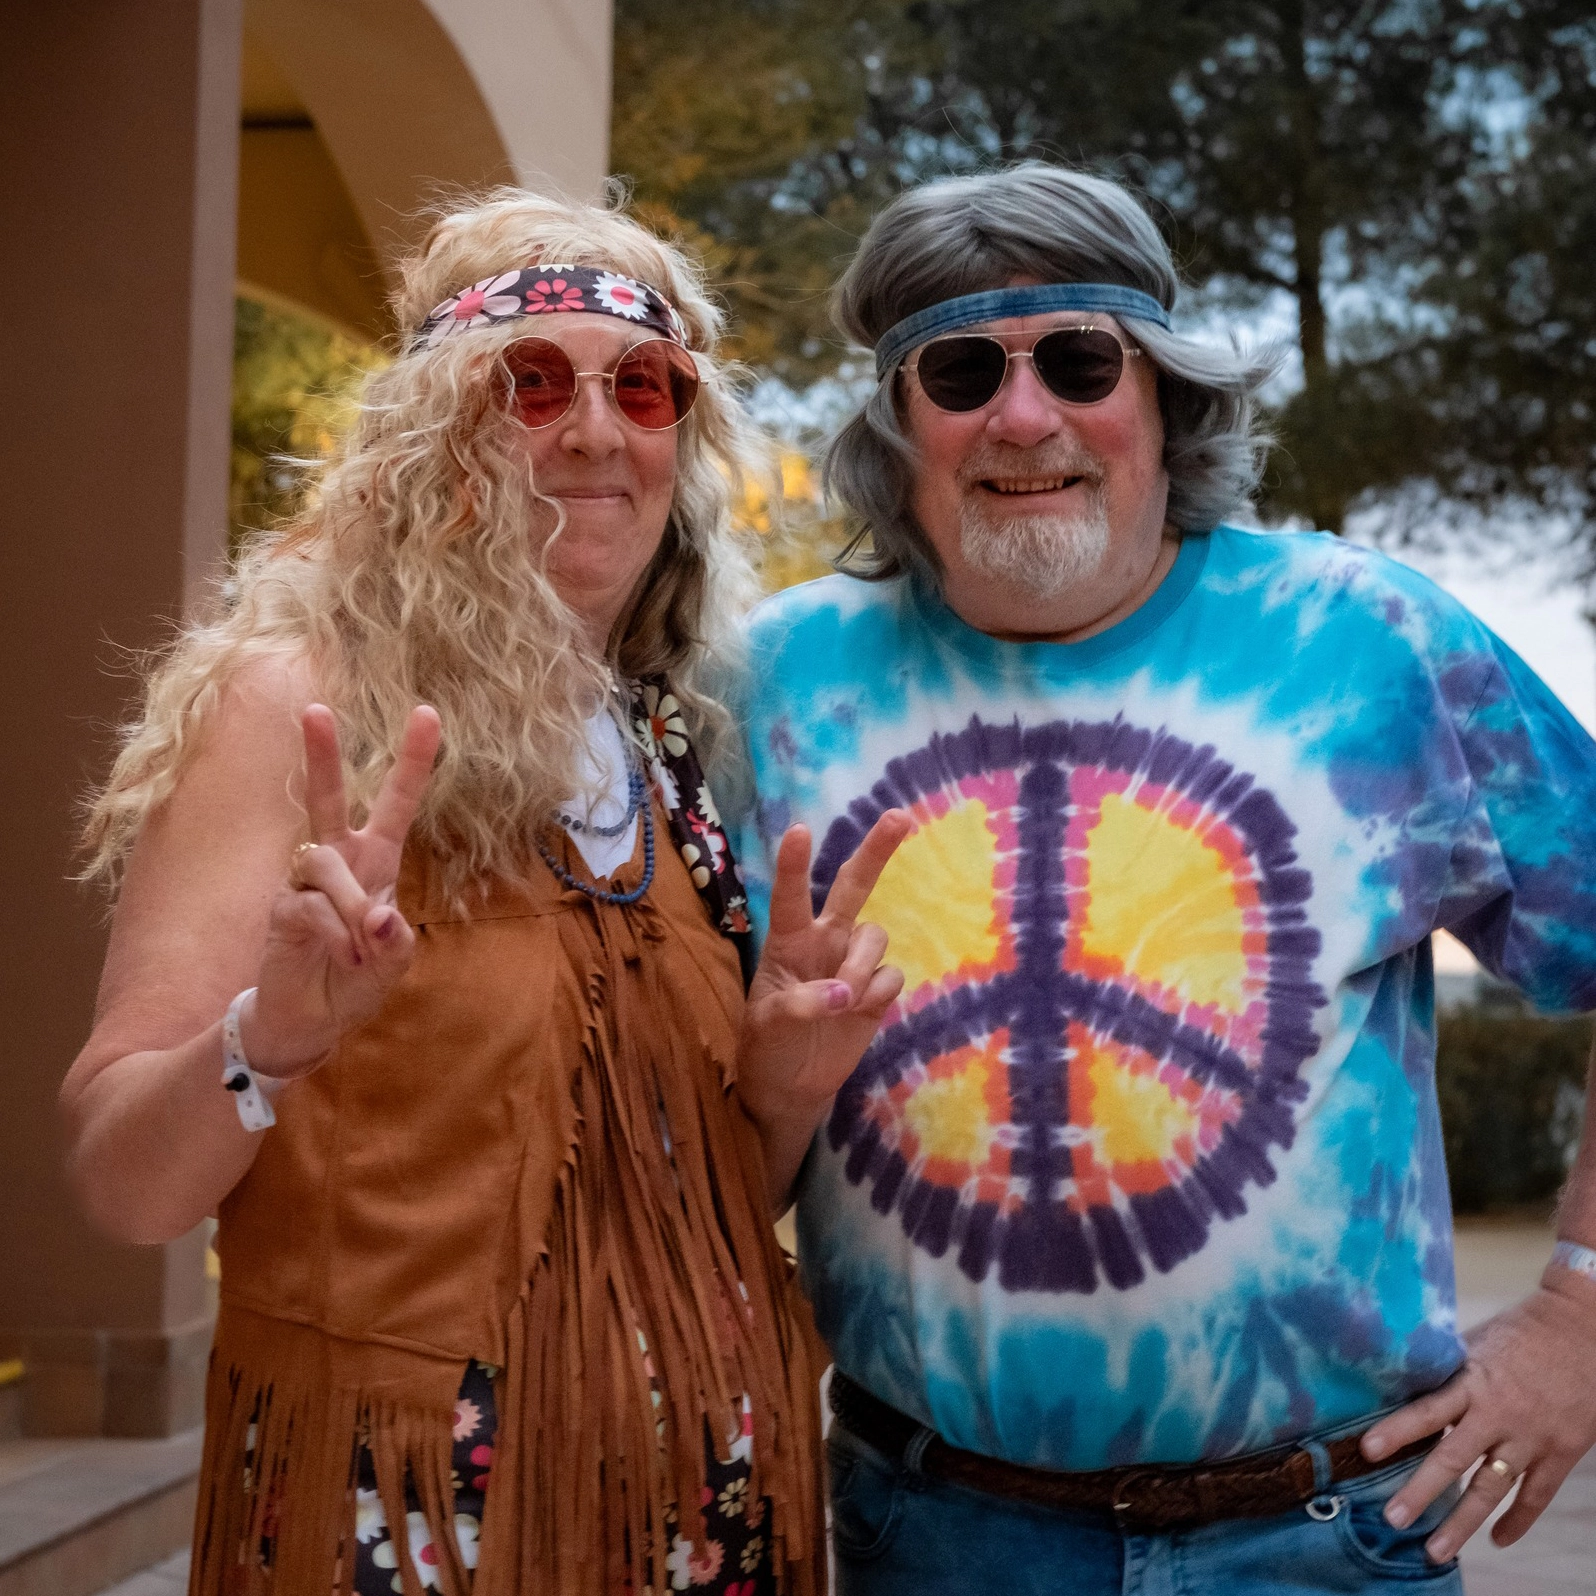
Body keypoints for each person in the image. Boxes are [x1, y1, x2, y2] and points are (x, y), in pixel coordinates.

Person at [731, 162, 1596, 1594]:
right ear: (897, 419)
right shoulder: (770, 685)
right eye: (962, 372)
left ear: (1164, 394)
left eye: (1081, 360)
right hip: (937, 1538)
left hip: (1329, 1536)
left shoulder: (1370, 643)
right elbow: (691, 1129)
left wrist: (1578, 1317)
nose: (1025, 417)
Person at [61, 188, 907, 1596]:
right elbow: (119, 1177)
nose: (595, 430)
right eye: (531, 383)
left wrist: (782, 1092)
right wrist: (268, 1040)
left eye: (643, 386)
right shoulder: (301, 706)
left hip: (704, 1528)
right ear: (433, 431)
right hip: (408, 1527)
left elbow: (668, 1206)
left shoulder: (670, 740)